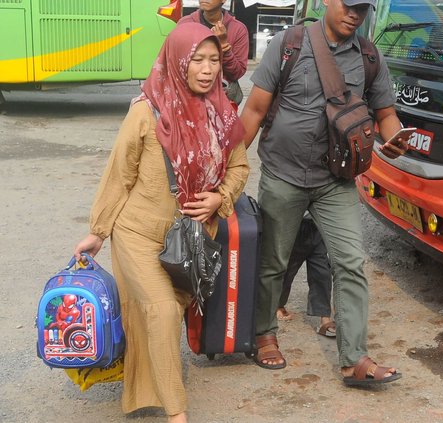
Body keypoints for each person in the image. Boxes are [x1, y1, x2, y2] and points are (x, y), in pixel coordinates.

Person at [73, 23, 249, 423]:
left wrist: (221, 197)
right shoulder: (146, 111)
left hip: (189, 242)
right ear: (176, 61)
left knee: (156, 317)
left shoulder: (225, 113)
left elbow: (240, 167)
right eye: (196, 60)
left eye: (214, 60)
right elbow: (120, 174)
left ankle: (144, 388)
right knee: (162, 311)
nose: (207, 70)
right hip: (137, 234)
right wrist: (98, 231)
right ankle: (177, 413)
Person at [240, 0, 405, 386]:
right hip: (284, 174)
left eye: (362, 9)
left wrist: (393, 135)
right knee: (273, 262)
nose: (354, 14)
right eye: (348, 5)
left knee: (350, 262)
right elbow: (254, 110)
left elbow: (384, 112)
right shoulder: (289, 43)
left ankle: (354, 358)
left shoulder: (368, 56)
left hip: (336, 179)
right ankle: (264, 334)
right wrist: (227, 166)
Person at [178, 0, 249, 107]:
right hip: (187, 98)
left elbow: (237, 72)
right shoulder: (186, 23)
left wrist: (224, 46)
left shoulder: (238, 29)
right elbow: (173, 62)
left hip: (222, 102)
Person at [276, 212, 336, 339]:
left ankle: (324, 318)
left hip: (318, 220)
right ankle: (278, 305)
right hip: (294, 221)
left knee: (321, 270)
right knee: (288, 268)